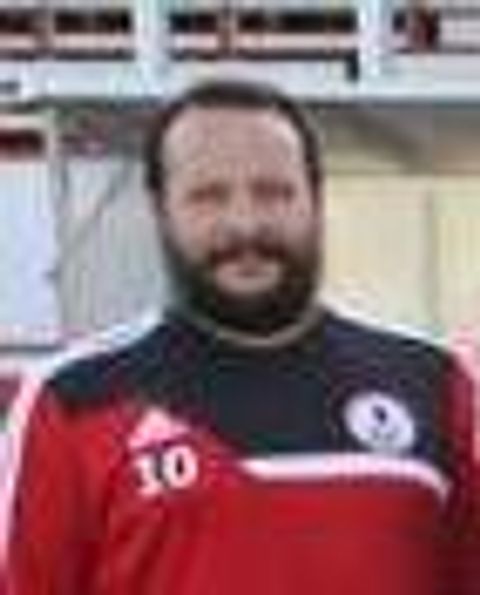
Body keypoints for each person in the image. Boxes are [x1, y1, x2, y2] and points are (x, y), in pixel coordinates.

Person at [5, 79, 480, 595]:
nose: (244, 224)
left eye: (273, 192)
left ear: (315, 199)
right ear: (161, 210)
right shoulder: (71, 401)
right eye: (209, 197)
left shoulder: (435, 385)